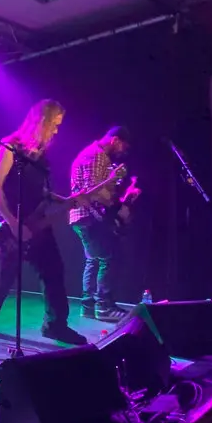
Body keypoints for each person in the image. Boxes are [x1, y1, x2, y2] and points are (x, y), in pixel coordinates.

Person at [0, 100, 99, 345]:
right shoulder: (9, 147)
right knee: (3, 276)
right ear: (41, 121)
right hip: (9, 222)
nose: (56, 131)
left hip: (37, 222)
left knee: (53, 270)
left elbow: (39, 191)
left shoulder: (39, 156)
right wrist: (12, 222)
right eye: (54, 124)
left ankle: (55, 325)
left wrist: (65, 200)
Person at [69, 126, 136, 321]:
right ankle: (104, 307)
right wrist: (118, 204)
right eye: (123, 146)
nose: (123, 151)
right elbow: (94, 192)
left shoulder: (95, 154)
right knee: (108, 258)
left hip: (83, 215)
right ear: (115, 140)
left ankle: (88, 306)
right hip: (89, 215)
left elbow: (98, 188)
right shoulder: (97, 155)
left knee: (94, 260)